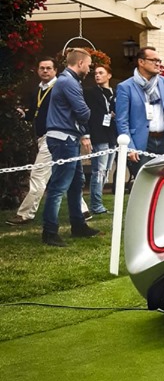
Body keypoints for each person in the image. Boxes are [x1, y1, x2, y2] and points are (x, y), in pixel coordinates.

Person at [7, 58, 90, 226]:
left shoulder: (60, 86)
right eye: (42, 68)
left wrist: (84, 134)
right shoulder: (37, 90)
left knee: (39, 175)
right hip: (45, 137)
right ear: (38, 70)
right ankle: (82, 211)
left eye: (48, 68)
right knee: (69, 175)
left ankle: (26, 214)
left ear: (55, 70)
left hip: (56, 137)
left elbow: (78, 111)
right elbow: (34, 113)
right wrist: (24, 114)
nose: (45, 71)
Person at [41, 48, 99, 247]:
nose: (89, 69)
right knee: (59, 187)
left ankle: (78, 226)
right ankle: (49, 232)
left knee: (75, 183)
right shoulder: (68, 82)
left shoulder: (68, 81)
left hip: (67, 138)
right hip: (63, 139)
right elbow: (83, 112)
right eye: (89, 65)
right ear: (80, 63)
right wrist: (86, 115)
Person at [115, 46, 164, 175]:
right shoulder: (126, 87)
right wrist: (130, 147)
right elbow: (122, 120)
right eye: (154, 60)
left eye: (159, 61)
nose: (158, 64)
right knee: (145, 180)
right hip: (141, 143)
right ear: (141, 62)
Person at [84, 64, 117, 215]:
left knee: (107, 170)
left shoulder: (115, 93)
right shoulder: (90, 92)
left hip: (112, 135)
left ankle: (98, 203)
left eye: (101, 73)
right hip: (98, 135)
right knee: (99, 170)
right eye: (96, 73)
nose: (97, 75)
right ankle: (96, 205)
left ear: (109, 75)